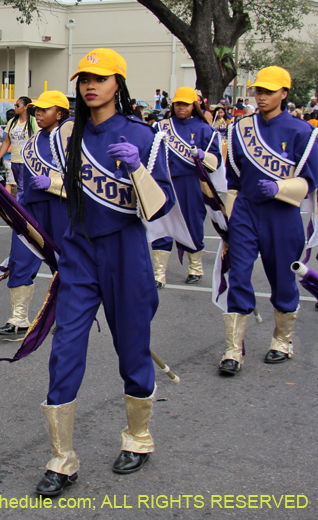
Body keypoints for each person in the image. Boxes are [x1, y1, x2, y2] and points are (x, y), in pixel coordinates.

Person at [34, 49, 174, 497]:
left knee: (132, 347)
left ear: (119, 83)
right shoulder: (66, 135)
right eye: (83, 79)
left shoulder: (142, 136)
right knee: (65, 349)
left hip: (126, 251)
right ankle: (62, 458)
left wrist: (135, 166)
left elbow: (160, 205)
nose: (89, 85)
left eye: (99, 78)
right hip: (79, 252)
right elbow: (59, 188)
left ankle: (138, 438)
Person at [218, 66, 318, 375]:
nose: (261, 96)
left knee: (283, 277)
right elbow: (233, 178)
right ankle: (234, 349)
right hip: (247, 209)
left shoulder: (303, 132)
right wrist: (227, 217)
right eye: (259, 91)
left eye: (269, 91)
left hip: (282, 213)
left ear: (284, 94)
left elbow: (311, 181)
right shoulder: (240, 128)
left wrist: (281, 187)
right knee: (238, 275)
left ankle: (282, 341)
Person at [0, 91, 70, 338]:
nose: (39, 113)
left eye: (46, 109)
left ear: (60, 113)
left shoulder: (72, 141)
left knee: (67, 264)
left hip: (62, 209)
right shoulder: (32, 141)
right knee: (21, 259)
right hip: (31, 208)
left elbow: (85, 183)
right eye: (38, 108)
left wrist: (53, 182)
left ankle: (67, 316)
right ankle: (19, 318)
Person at [150, 87, 222, 287]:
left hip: (192, 183)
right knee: (162, 223)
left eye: (186, 103)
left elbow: (217, 162)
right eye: (178, 103)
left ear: (195, 105)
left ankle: (195, 268)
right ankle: (159, 273)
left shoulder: (206, 130)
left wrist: (202, 155)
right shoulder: (161, 126)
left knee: (193, 223)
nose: (181, 107)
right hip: (164, 181)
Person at [0, 96, 34, 201]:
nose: (15, 107)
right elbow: (6, 142)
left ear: (26, 107)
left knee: (22, 187)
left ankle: (20, 210)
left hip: (27, 161)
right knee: (19, 185)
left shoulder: (33, 122)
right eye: (15, 105)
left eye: (18, 105)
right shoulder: (12, 122)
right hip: (14, 160)